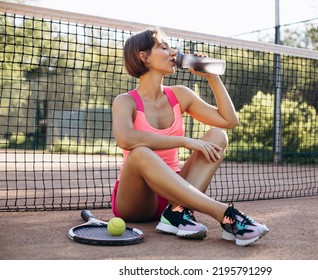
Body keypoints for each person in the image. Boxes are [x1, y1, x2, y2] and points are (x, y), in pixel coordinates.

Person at [111, 27, 269, 246]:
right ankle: (226, 215)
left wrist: (212, 77)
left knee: (217, 135)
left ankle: (176, 213)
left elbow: (229, 121)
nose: (174, 52)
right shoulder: (125, 101)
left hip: (174, 193)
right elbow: (126, 139)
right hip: (136, 200)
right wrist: (184, 141)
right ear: (144, 57)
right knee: (139, 153)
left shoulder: (180, 95)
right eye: (164, 47)